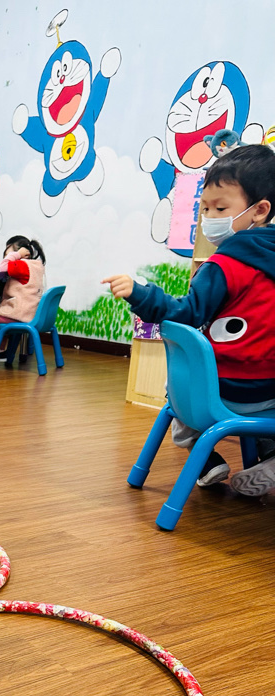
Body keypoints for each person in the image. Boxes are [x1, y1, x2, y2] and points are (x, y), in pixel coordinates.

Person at [103, 145, 275, 493]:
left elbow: (187, 314)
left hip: (226, 391)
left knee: (178, 392)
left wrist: (141, 294)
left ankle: (206, 458)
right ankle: (269, 454)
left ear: (259, 210)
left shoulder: (223, 265)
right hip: (269, 392)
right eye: (205, 208)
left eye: (220, 209)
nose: (209, 217)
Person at [0, 237, 46, 363]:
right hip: (31, 312)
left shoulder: (21, 265)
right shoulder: (36, 265)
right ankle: (0, 351)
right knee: (2, 315)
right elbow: (6, 267)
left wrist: (16, 255)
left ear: (22, 254)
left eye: (10, 255)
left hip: (20, 314)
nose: (8, 258)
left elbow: (5, 266)